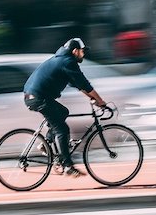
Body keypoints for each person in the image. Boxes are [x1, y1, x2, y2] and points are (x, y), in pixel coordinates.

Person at [23, 38, 108, 178]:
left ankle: (47, 143)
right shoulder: (68, 62)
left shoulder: (62, 60)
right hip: (38, 98)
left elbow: (78, 85)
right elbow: (84, 84)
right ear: (75, 51)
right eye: (82, 51)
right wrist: (100, 101)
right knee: (62, 129)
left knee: (63, 112)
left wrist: (93, 98)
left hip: (36, 96)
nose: (83, 54)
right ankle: (68, 166)